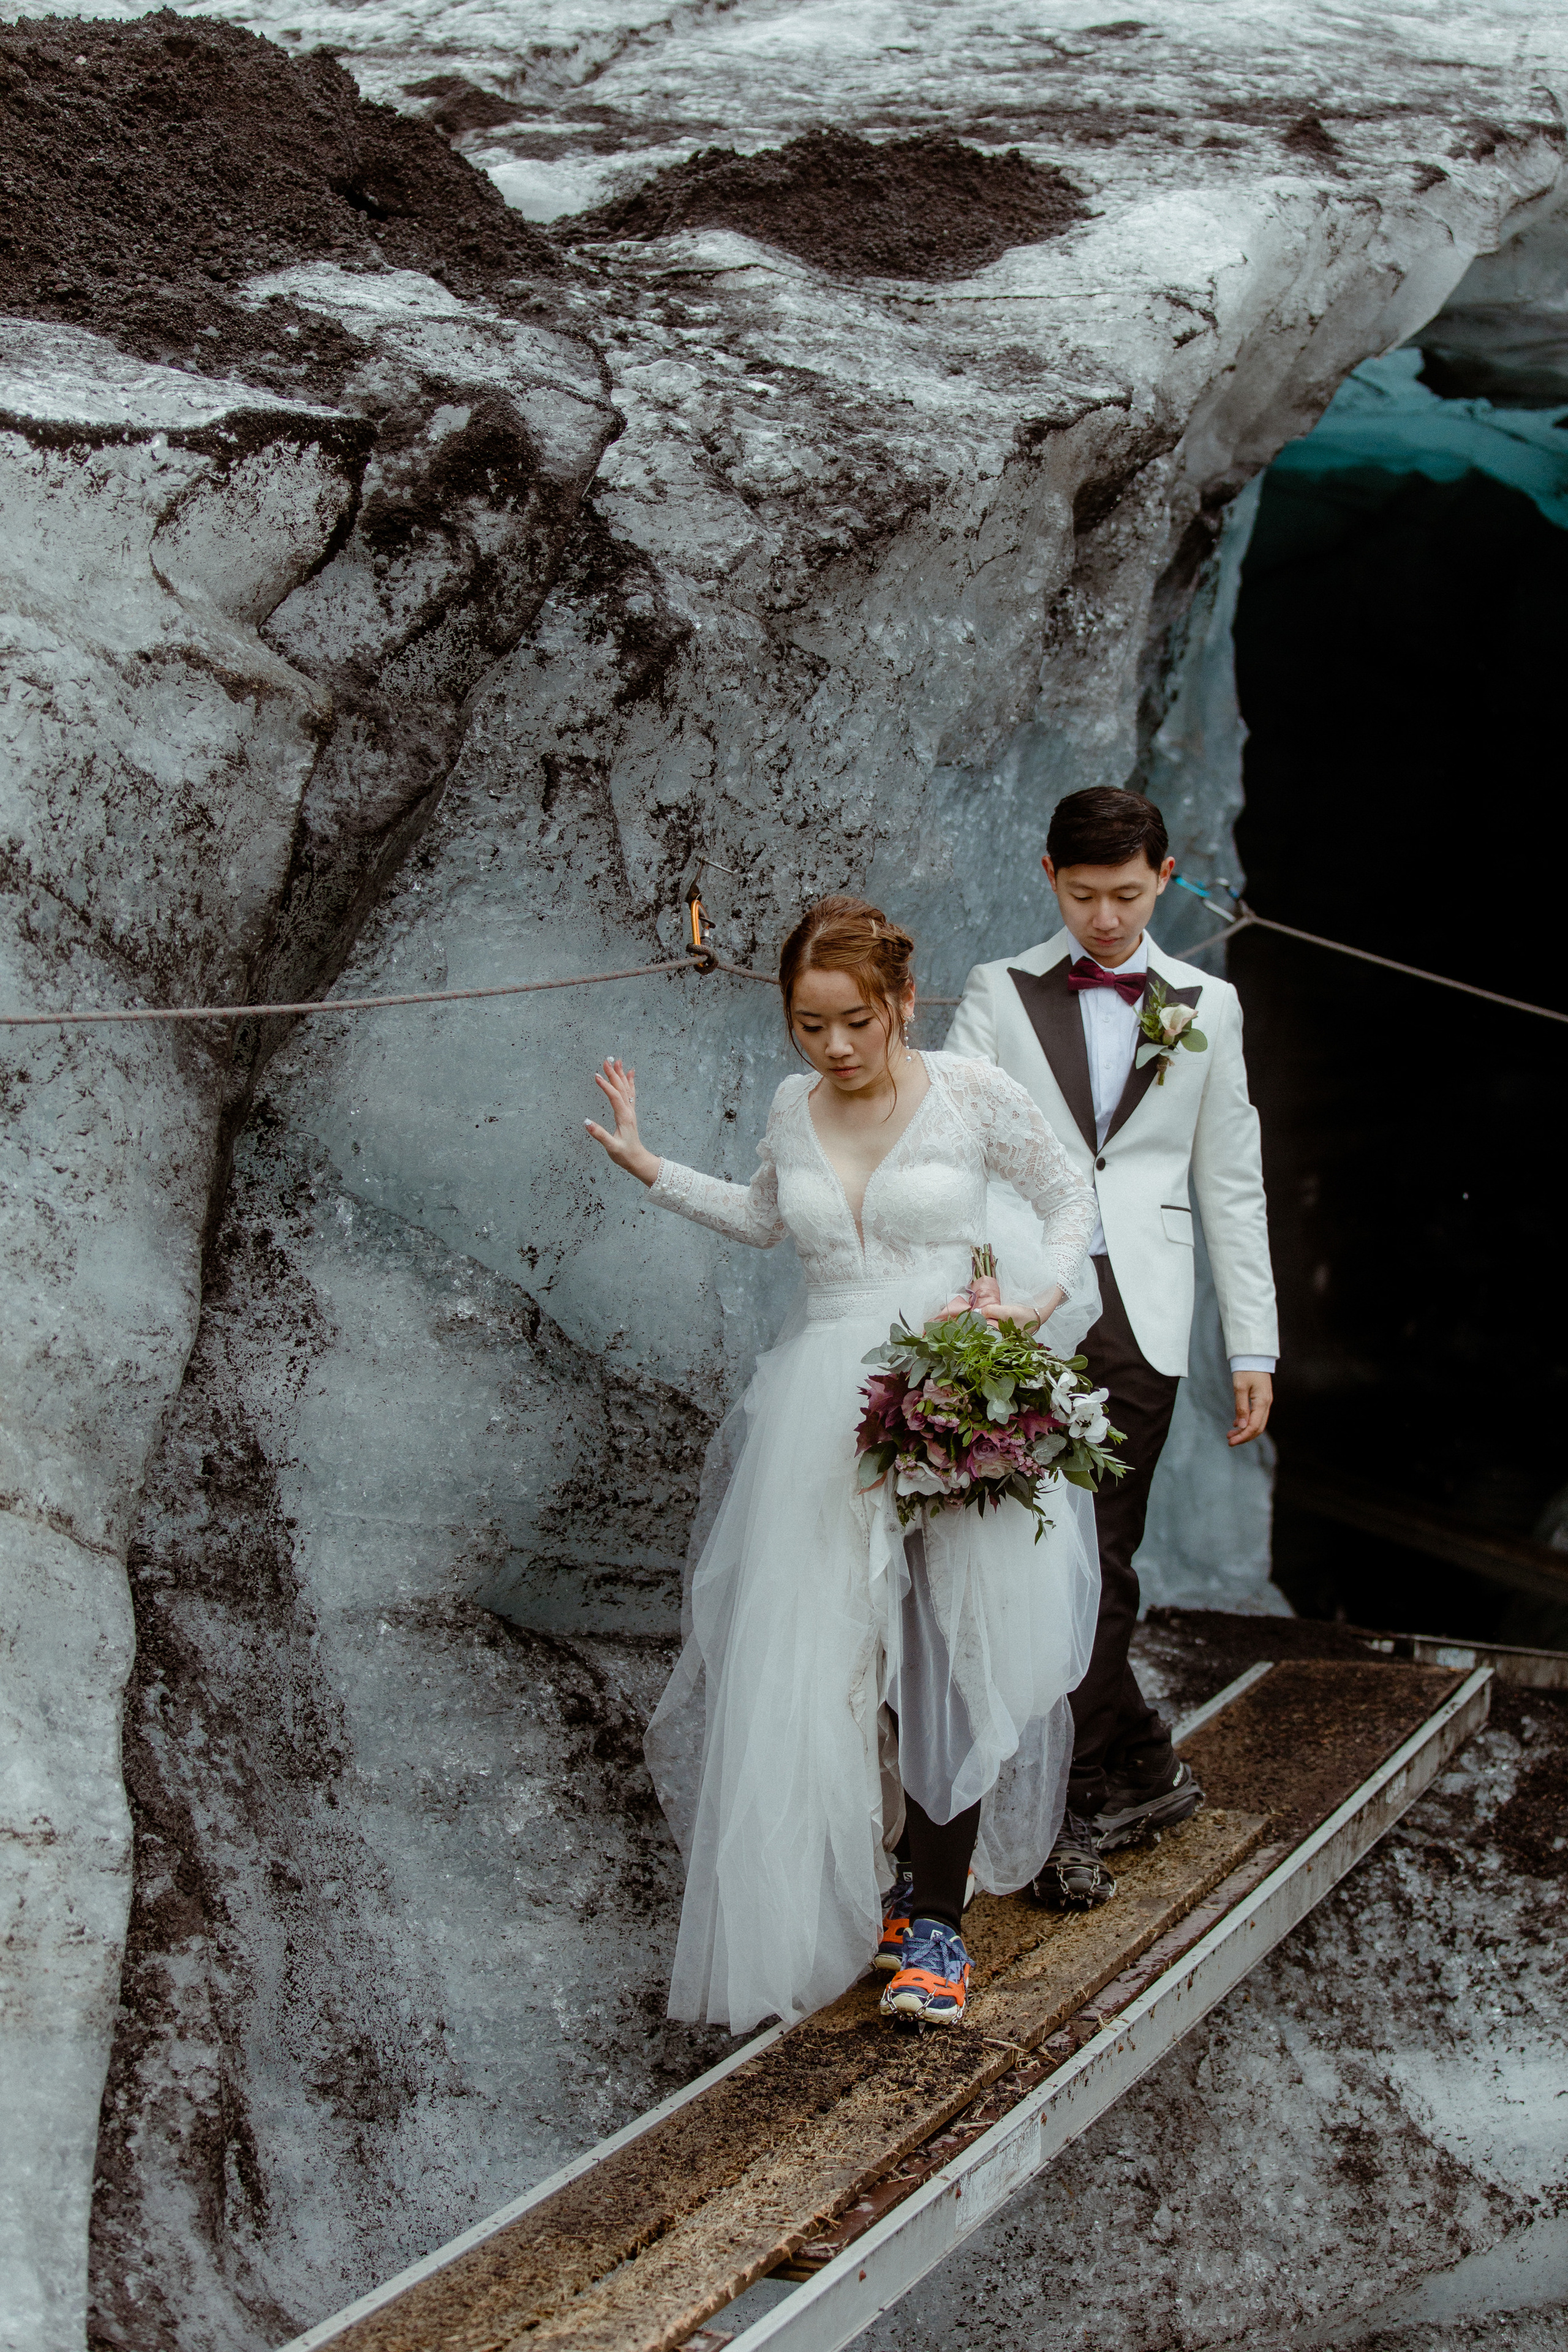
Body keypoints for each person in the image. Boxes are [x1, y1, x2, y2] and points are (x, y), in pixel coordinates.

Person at [584, 896, 1101, 2034]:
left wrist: (1031, 1305)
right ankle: (880, 1890)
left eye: (856, 1022)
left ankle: (939, 1923)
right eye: (810, 1026)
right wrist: (651, 1167)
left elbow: (1069, 1195)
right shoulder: (792, 1105)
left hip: (946, 1388)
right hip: (822, 1415)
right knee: (834, 1662)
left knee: (945, 1653)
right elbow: (766, 1218)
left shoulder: (970, 1093)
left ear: (903, 1002)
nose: (835, 1047)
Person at [946, 787, 1278, 1908]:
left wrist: (1255, 1347)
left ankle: (1073, 1804)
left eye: (1127, 895)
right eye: (1083, 895)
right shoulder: (997, 992)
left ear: (1166, 878)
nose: (1104, 917)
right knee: (1022, 1552)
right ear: (1049, 876)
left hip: (1143, 1308)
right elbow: (952, 1152)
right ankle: (1137, 1759)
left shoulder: (1209, 1005)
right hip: (1019, 1310)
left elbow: (1232, 1182)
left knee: (1106, 1552)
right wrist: (973, 1296)